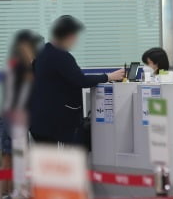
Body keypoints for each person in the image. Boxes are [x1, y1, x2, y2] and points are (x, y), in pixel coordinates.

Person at [29, 15, 125, 144]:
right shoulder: (61, 56)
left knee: (47, 159)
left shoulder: (43, 52)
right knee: (55, 161)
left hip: (39, 120)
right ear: (70, 36)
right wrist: (109, 77)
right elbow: (80, 80)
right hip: (54, 123)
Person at [0, 30, 42, 193]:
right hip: (11, 119)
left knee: (17, 161)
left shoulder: (26, 66)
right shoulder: (16, 66)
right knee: (8, 161)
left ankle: (14, 198)